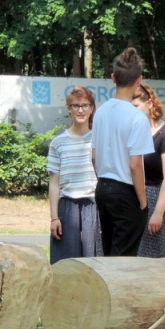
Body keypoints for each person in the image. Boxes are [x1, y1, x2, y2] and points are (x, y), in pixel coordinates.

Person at [91, 48, 154, 256]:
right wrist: (143, 201)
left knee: (109, 252)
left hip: (102, 187)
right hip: (126, 191)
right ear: (139, 80)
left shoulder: (100, 111)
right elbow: (135, 164)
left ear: (113, 78)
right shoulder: (137, 118)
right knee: (124, 258)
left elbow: (93, 156)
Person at [47, 86, 102, 264]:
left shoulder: (99, 139)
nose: (80, 110)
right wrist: (54, 217)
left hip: (93, 206)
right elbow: (54, 183)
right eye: (75, 106)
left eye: (85, 105)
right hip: (67, 207)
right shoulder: (58, 143)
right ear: (68, 109)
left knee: (94, 263)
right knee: (65, 264)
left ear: (92, 108)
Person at [132, 83, 165, 258]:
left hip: (157, 200)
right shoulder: (134, 132)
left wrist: (158, 213)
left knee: (159, 259)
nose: (132, 112)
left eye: (136, 106)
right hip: (135, 201)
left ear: (150, 103)